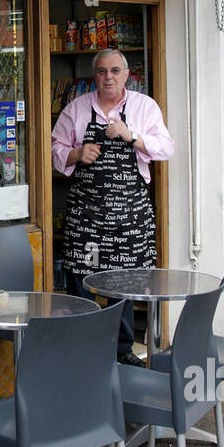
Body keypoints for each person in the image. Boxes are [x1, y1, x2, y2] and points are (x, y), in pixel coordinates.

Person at [51, 48, 174, 365]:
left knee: (123, 285)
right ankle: (83, 351)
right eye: (102, 71)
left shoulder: (144, 107)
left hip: (128, 221)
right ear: (95, 76)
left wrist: (131, 136)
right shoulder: (76, 109)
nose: (109, 77)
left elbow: (166, 147)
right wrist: (77, 154)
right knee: (82, 284)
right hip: (87, 221)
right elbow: (54, 150)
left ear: (126, 74)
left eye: (115, 71)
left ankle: (121, 351)